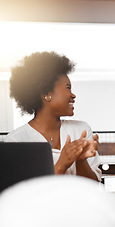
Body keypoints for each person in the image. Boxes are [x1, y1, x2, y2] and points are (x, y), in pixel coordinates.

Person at [6, 51, 101, 181]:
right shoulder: (16, 141)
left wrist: (81, 161)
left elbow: (93, 187)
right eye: (68, 88)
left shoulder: (81, 130)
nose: (73, 95)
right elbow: (23, 195)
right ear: (46, 93)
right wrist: (62, 164)